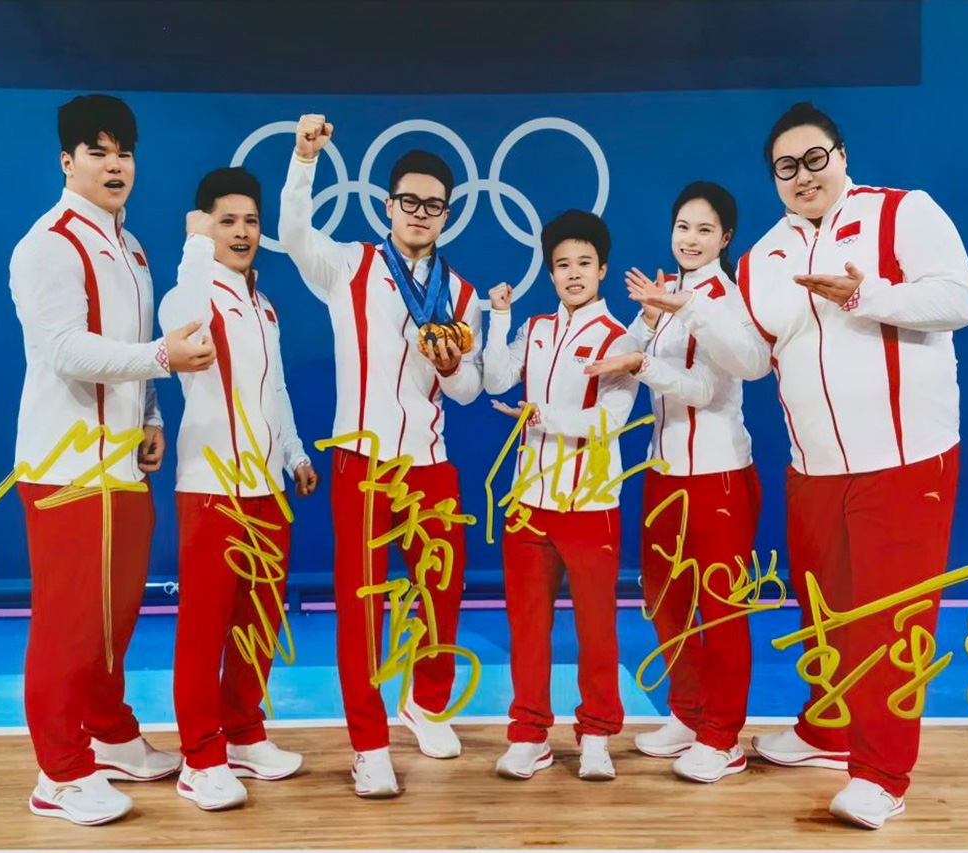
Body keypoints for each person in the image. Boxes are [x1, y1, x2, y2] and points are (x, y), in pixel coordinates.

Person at [636, 101, 968, 829]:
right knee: (823, 610)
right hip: (812, 467)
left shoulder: (902, 212)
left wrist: (867, 294)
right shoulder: (764, 255)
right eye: (786, 166)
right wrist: (690, 310)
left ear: (841, 155)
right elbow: (752, 360)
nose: (802, 175)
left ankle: (881, 776)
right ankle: (828, 727)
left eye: (814, 158)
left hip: (905, 457)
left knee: (887, 621)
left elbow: (959, 299)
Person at [9, 94, 216, 826]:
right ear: (66, 161)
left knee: (113, 618)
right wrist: (161, 359)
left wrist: (152, 413)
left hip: (122, 466)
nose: (114, 164)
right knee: (68, 623)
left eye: (123, 151)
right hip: (67, 469)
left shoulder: (132, 249)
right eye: (97, 152)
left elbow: (130, 345)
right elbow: (66, 349)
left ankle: (110, 734)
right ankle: (59, 774)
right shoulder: (48, 244)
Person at [278, 114, 484, 798]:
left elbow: (468, 388)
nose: (420, 213)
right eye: (409, 201)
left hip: (431, 461)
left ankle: (426, 703)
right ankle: (368, 744)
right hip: (362, 462)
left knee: (441, 593)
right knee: (362, 604)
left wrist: (451, 365)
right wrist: (304, 159)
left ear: (447, 215)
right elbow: (293, 234)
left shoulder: (462, 293)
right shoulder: (350, 265)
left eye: (433, 205)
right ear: (388, 205)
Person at [587, 182, 760, 784]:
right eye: (683, 226)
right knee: (666, 601)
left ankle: (724, 737)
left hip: (718, 476)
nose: (690, 239)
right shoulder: (667, 294)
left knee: (721, 611)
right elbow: (628, 352)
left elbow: (704, 391)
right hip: (663, 474)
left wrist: (643, 363)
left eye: (704, 230)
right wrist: (643, 324)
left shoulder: (724, 301)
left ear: (725, 237)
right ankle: (688, 714)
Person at [158, 166, 320, 811]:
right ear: (204, 227)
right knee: (205, 628)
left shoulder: (264, 303)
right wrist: (194, 247)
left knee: (258, 621)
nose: (243, 231)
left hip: (266, 489)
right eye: (227, 221)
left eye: (251, 220)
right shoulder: (190, 291)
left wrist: (295, 454)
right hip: (211, 488)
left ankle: (245, 734)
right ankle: (201, 758)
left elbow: (275, 388)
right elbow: (181, 322)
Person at [482, 210, 638, 782]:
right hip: (529, 501)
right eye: (562, 265)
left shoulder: (621, 338)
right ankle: (529, 734)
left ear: (603, 269)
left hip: (591, 504)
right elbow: (495, 379)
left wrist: (541, 416)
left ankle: (596, 734)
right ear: (550, 273)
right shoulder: (537, 329)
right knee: (527, 626)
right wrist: (500, 318)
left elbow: (611, 420)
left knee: (597, 628)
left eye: (584, 263)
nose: (573, 274)